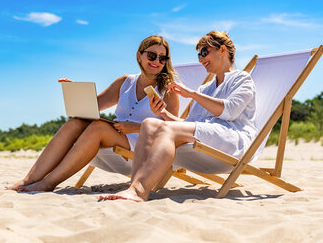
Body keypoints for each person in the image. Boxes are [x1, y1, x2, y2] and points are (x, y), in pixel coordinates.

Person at [7, 35, 179, 192]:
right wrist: (75, 91)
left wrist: (134, 127)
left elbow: (171, 130)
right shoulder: (125, 82)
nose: (157, 61)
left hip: (142, 144)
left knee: (98, 128)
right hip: (116, 133)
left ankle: (48, 183)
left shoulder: (168, 90)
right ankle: (28, 179)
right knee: (76, 122)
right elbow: (93, 105)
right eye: (152, 55)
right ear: (139, 55)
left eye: (162, 58)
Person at [101, 31, 256, 202]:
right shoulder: (206, 88)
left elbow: (230, 111)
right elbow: (190, 124)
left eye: (205, 52)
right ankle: (134, 187)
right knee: (149, 123)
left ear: (222, 50)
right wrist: (163, 114)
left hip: (231, 140)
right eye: (199, 54)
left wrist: (192, 94)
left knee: (166, 129)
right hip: (207, 135)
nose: (201, 59)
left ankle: (140, 191)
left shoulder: (242, 79)